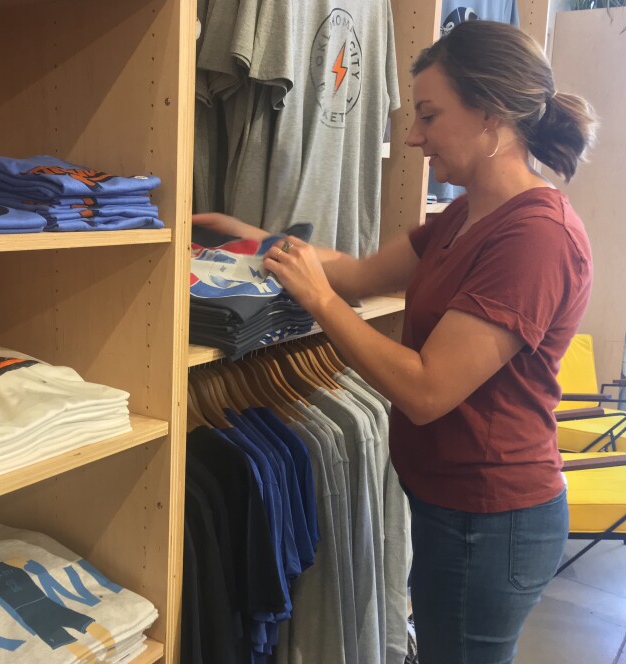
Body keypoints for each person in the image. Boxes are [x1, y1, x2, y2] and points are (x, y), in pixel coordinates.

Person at [193, 19, 597, 664]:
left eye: (431, 117)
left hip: (490, 521)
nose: (413, 137)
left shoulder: (536, 238)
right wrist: (249, 238)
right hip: (452, 507)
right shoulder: (466, 214)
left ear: (492, 115)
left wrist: (317, 301)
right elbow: (356, 274)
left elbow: (427, 389)